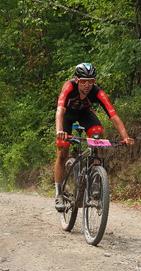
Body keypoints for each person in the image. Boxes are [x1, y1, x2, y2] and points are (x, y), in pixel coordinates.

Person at [54, 63, 135, 211]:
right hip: (67, 116)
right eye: (84, 81)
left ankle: (96, 180)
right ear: (77, 80)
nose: (87, 85)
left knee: (98, 136)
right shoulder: (69, 87)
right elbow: (60, 111)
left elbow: (113, 116)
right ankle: (59, 193)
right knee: (62, 152)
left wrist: (126, 137)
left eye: (91, 81)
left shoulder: (97, 92)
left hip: (85, 114)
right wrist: (60, 130)